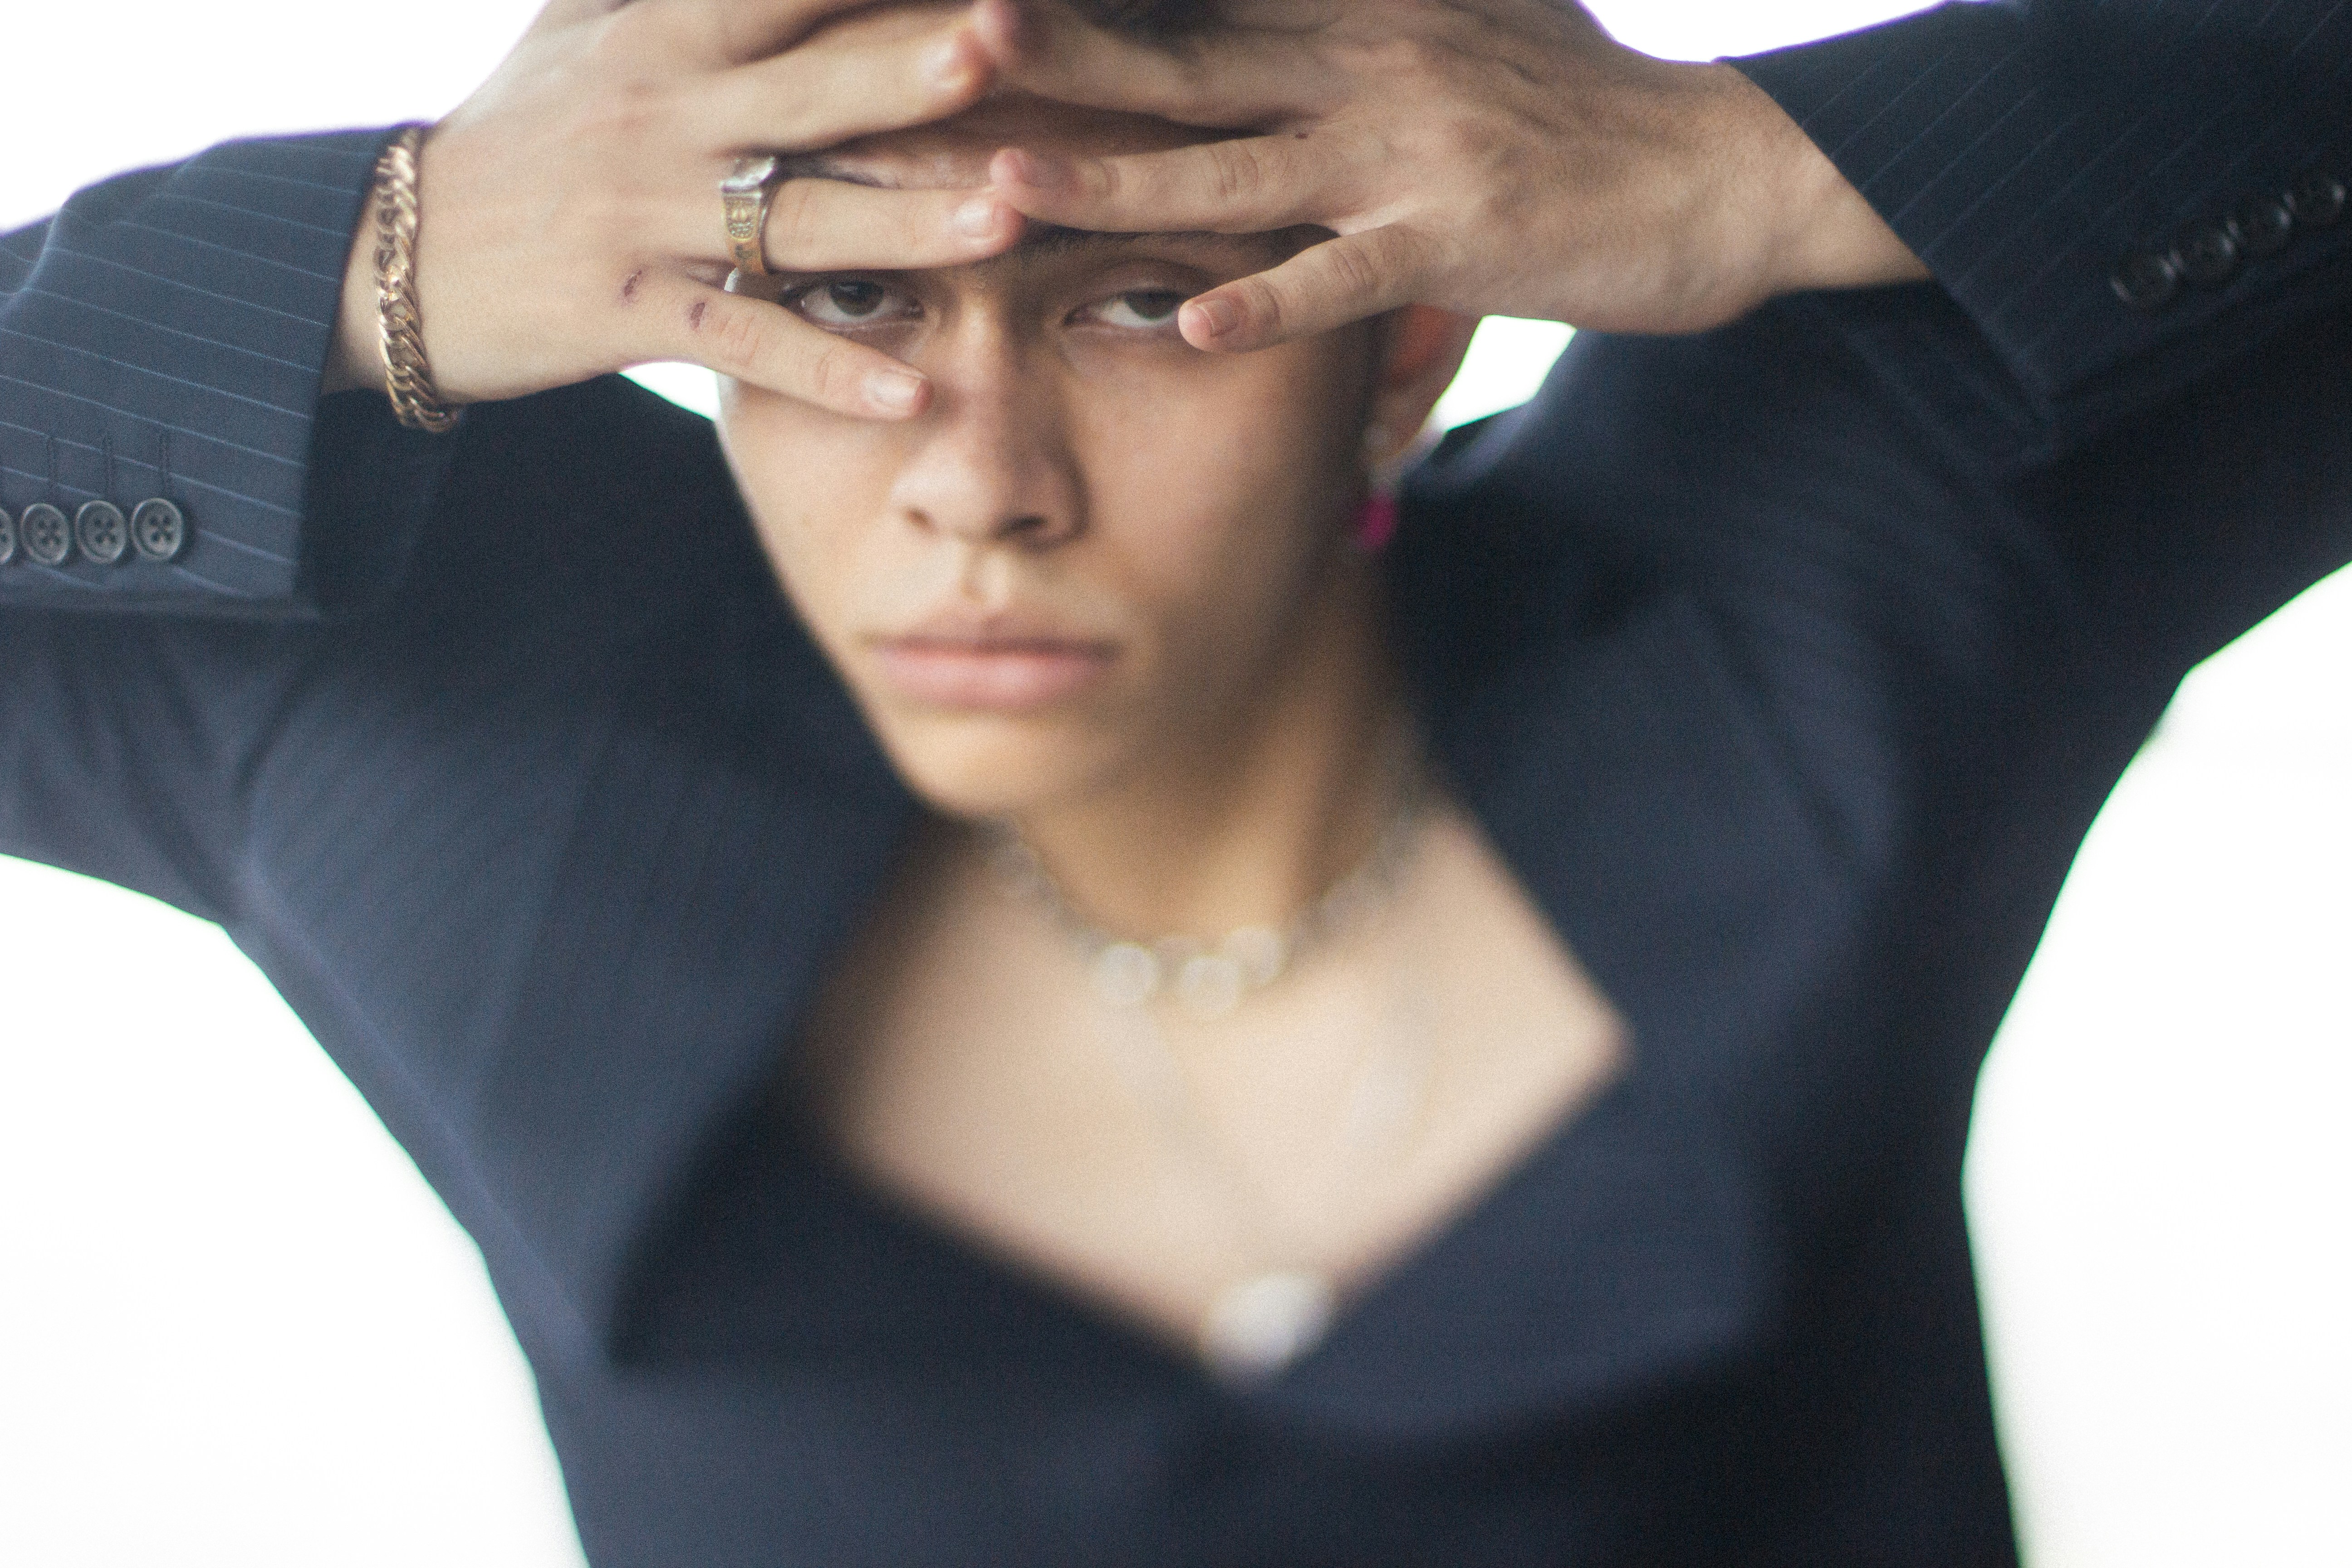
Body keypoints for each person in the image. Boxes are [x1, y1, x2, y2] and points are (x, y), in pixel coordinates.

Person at [2, 0, 2346, 1562]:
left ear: (1406, 336)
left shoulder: (1813, 576)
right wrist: (384, 256)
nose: (980, 486)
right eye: (841, 295)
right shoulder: (458, 723)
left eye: (1141, 303)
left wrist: (1761, 164)